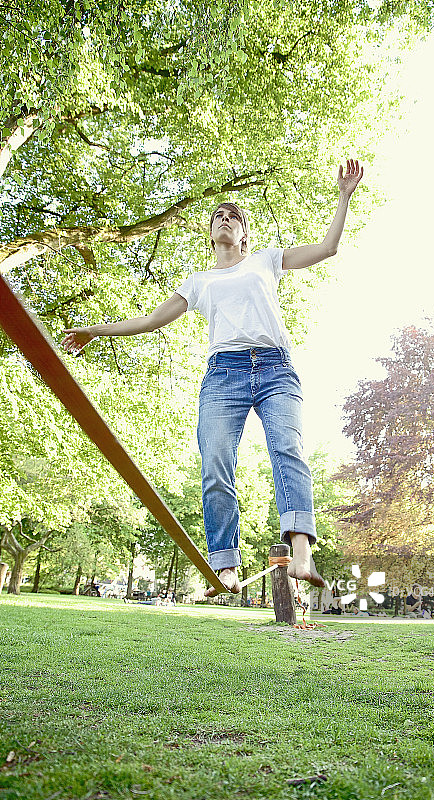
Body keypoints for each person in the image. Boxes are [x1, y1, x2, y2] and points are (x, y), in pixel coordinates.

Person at [61, 159, 364, 596]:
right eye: (218, 216)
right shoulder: (199, 281)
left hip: (276, 367)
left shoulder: (266, 260)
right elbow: (150, 320)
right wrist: (94, 329)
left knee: (288, 449)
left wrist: (344, 196)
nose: (225, 219)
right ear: (211, 234)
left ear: (244, 234)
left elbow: (327, 248)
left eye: (234, 217)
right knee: (216, 465)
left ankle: (301, 553)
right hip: (224, 375)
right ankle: (225, 566)